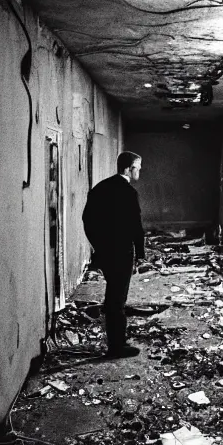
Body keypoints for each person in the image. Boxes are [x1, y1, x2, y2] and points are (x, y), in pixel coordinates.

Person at [82, 151, 145, 358]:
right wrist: (141, 253)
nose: (140, 171)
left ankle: (116, 342)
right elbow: (136, 226)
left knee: (113, 298)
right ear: (128, 168)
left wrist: (99, 246)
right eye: (138, 167)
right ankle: (117, 347)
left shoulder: (101, 188)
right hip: (122, 253)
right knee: (117, 300)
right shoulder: (128, 192)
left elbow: (87, 219)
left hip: (106, 253)